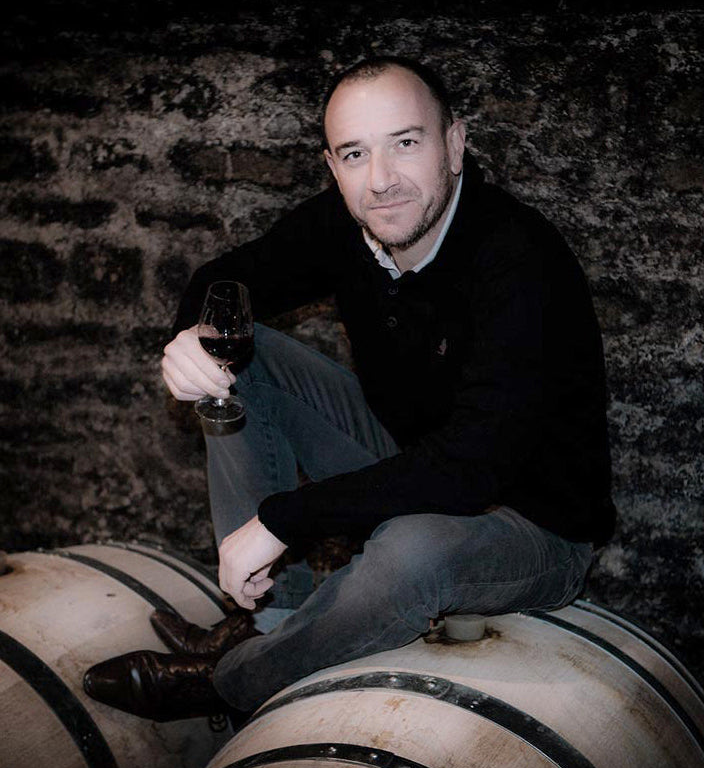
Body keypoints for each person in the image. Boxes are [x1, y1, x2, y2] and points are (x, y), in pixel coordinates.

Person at [83, 56, 616, 722]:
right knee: (240, 351)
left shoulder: (520, 260)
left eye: (406, 143)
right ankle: (264, 620)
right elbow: (227, 279)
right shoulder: (350, 224)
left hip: (531, 527)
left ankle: (229, 685)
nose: (381, 179)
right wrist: (191, 340)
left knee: (412, 553)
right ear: (332, 167)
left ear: (455, 145)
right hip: (409, 463)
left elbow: (471, 469)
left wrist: (281, 521)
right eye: (355, 154)